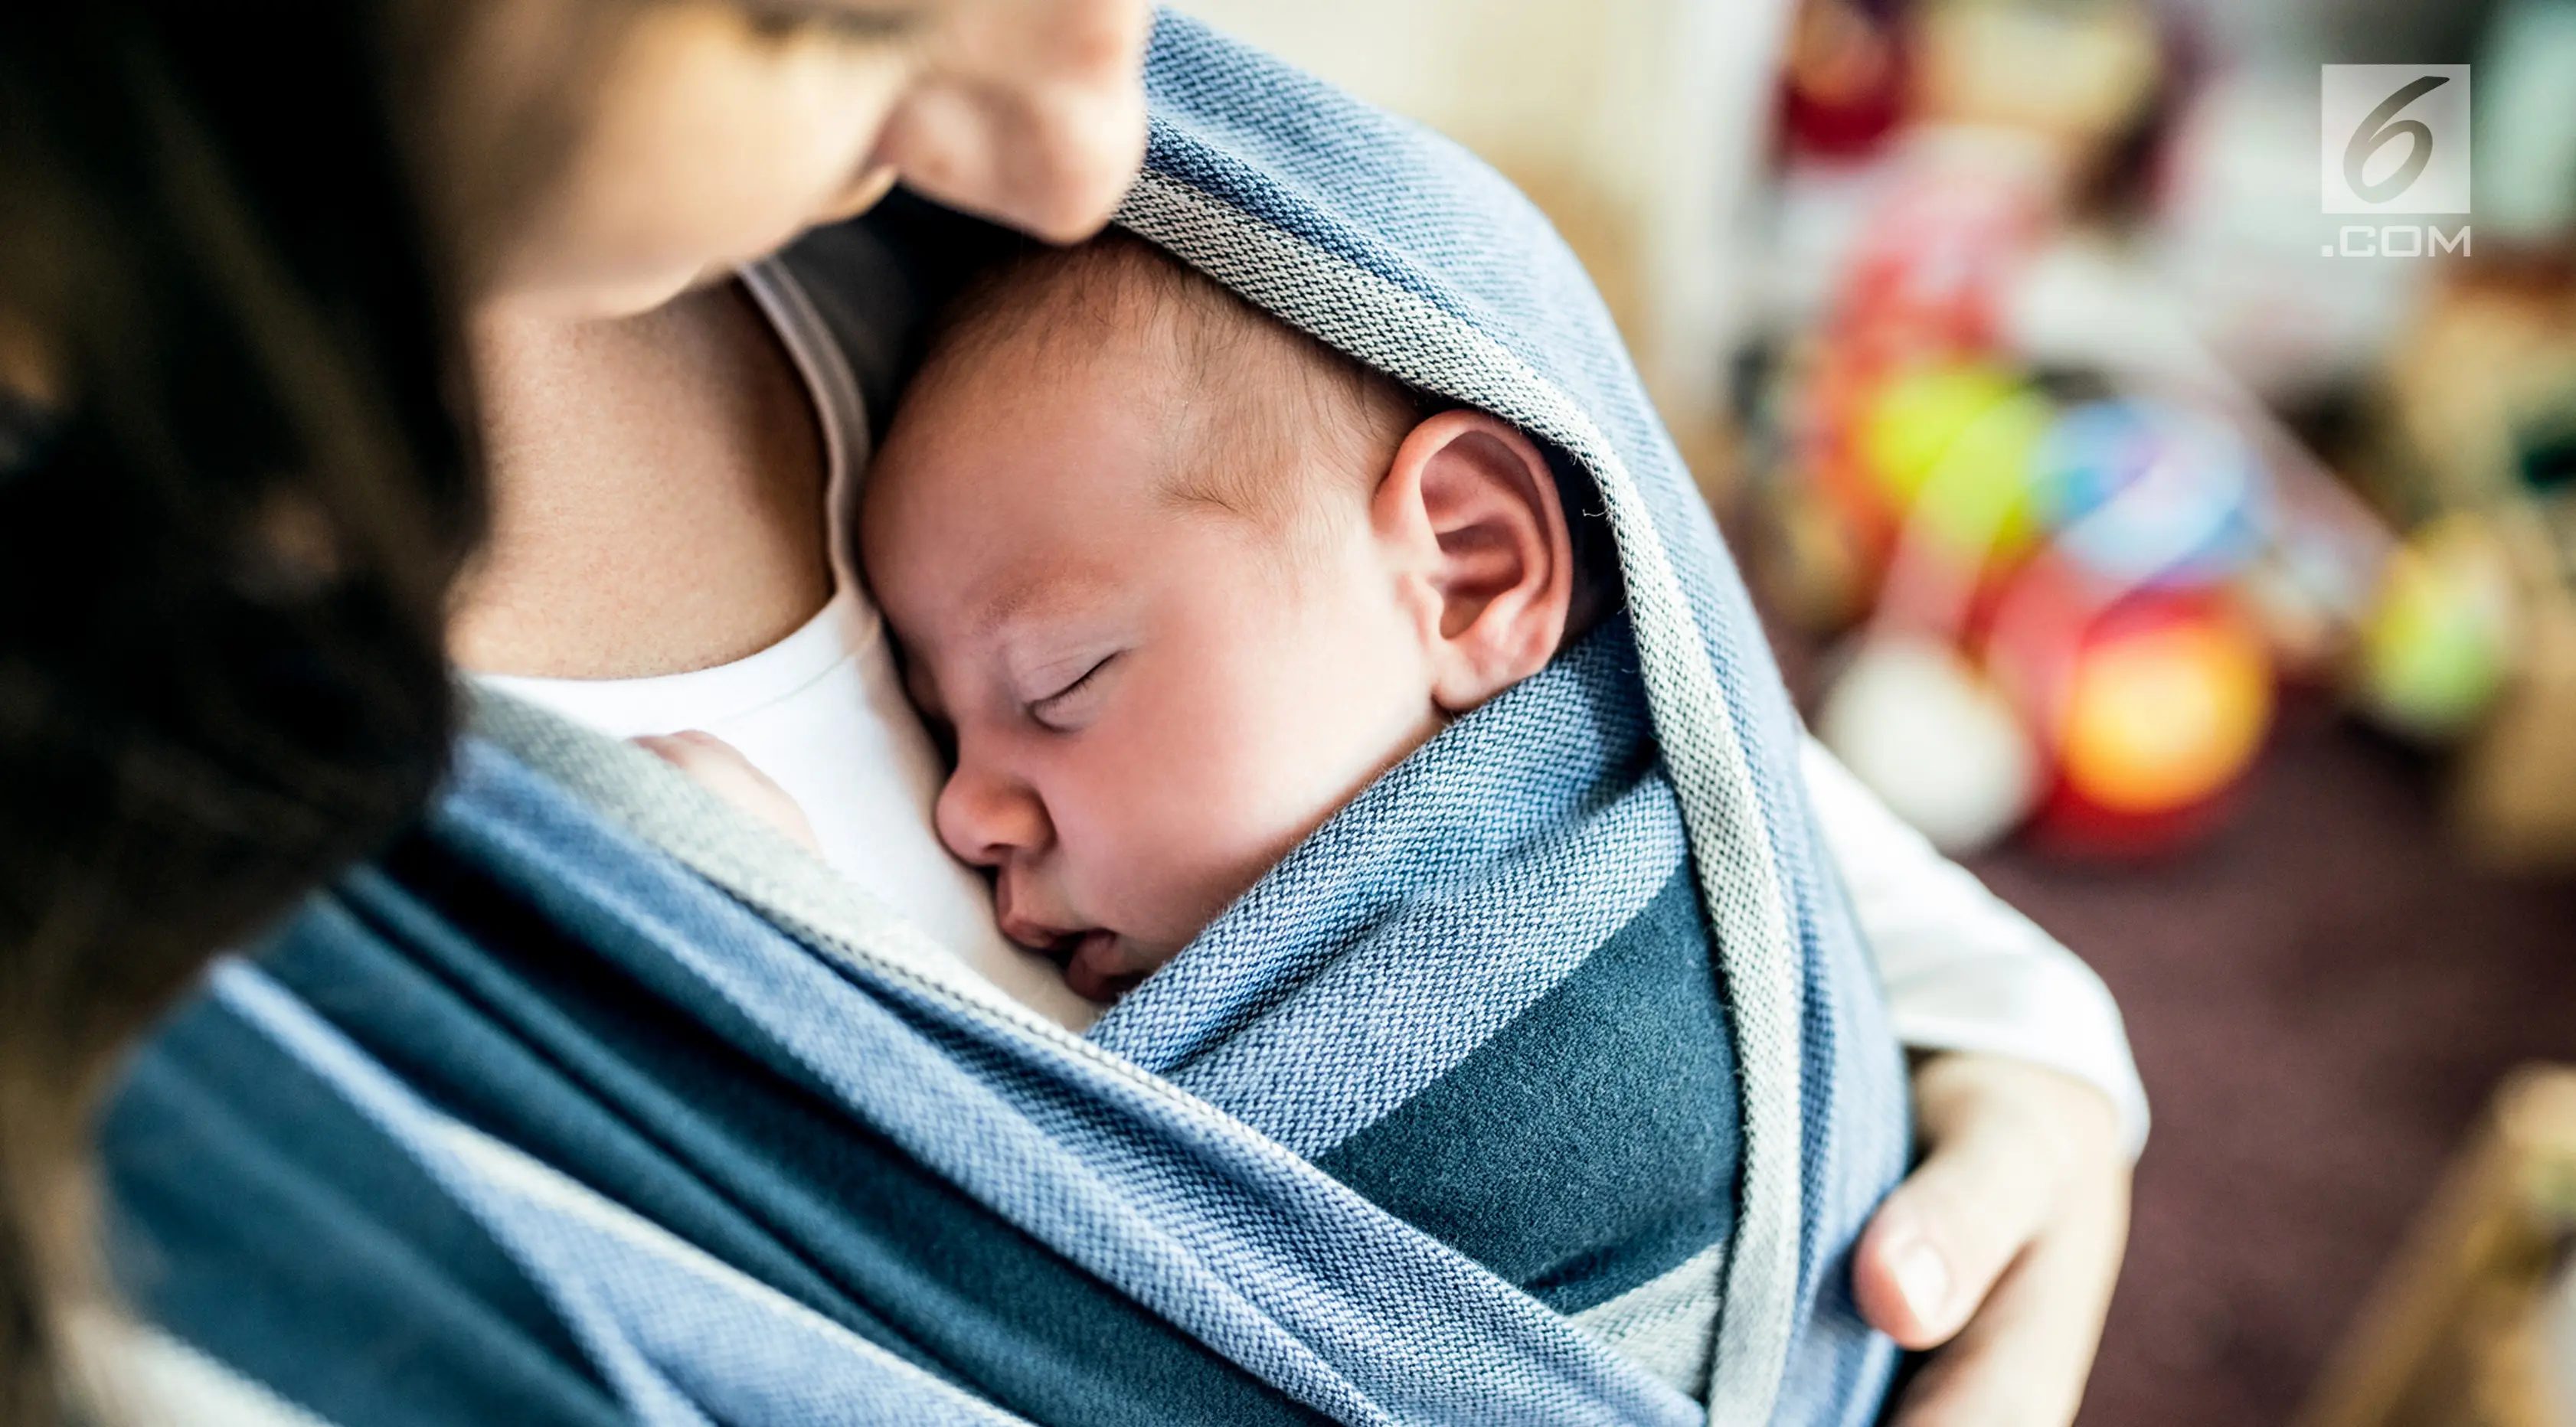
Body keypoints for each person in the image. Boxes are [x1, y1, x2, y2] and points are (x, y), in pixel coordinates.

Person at [0, 2, 2135, 1425]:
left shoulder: (1096, 256)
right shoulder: (171, 1003)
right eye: (837, 13)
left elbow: (1635, 736)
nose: (1086, 129)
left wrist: (2026, 1044)